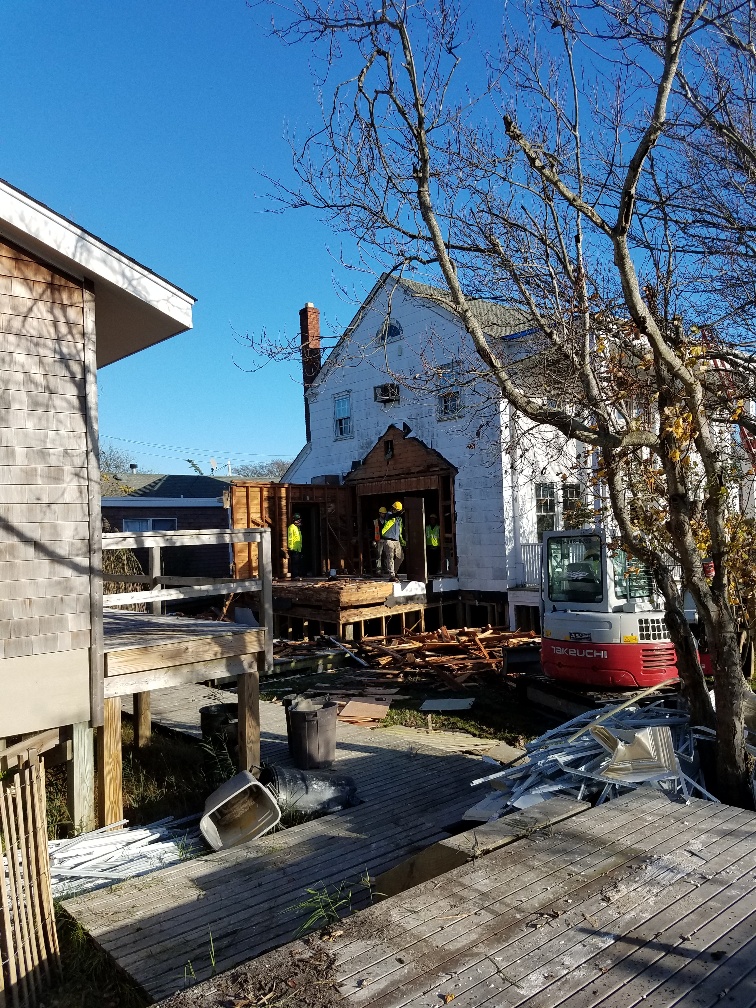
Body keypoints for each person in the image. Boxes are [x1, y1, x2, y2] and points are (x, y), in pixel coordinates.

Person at [375, 501, 405, 577]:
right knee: (390, 557)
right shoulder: (388, 515)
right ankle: (392, 575)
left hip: (396, 540)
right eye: (397, 510)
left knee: (400, 557)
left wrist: (402, 540)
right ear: (394, 509)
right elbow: (393, 515)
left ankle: (394, 571)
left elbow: (400, 530)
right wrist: (400, 512)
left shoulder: (399, 519)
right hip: (388, 539)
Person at [287, 513, 304, 578]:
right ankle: (295, 575)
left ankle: (298, 574)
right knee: (295, 563)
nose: (299, 522)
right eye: (297, 520)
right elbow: (290, 537)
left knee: (298, 562)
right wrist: (290, 547)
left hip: (298, 548)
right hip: (294, 548)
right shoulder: (292, 527)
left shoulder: (297, 528)